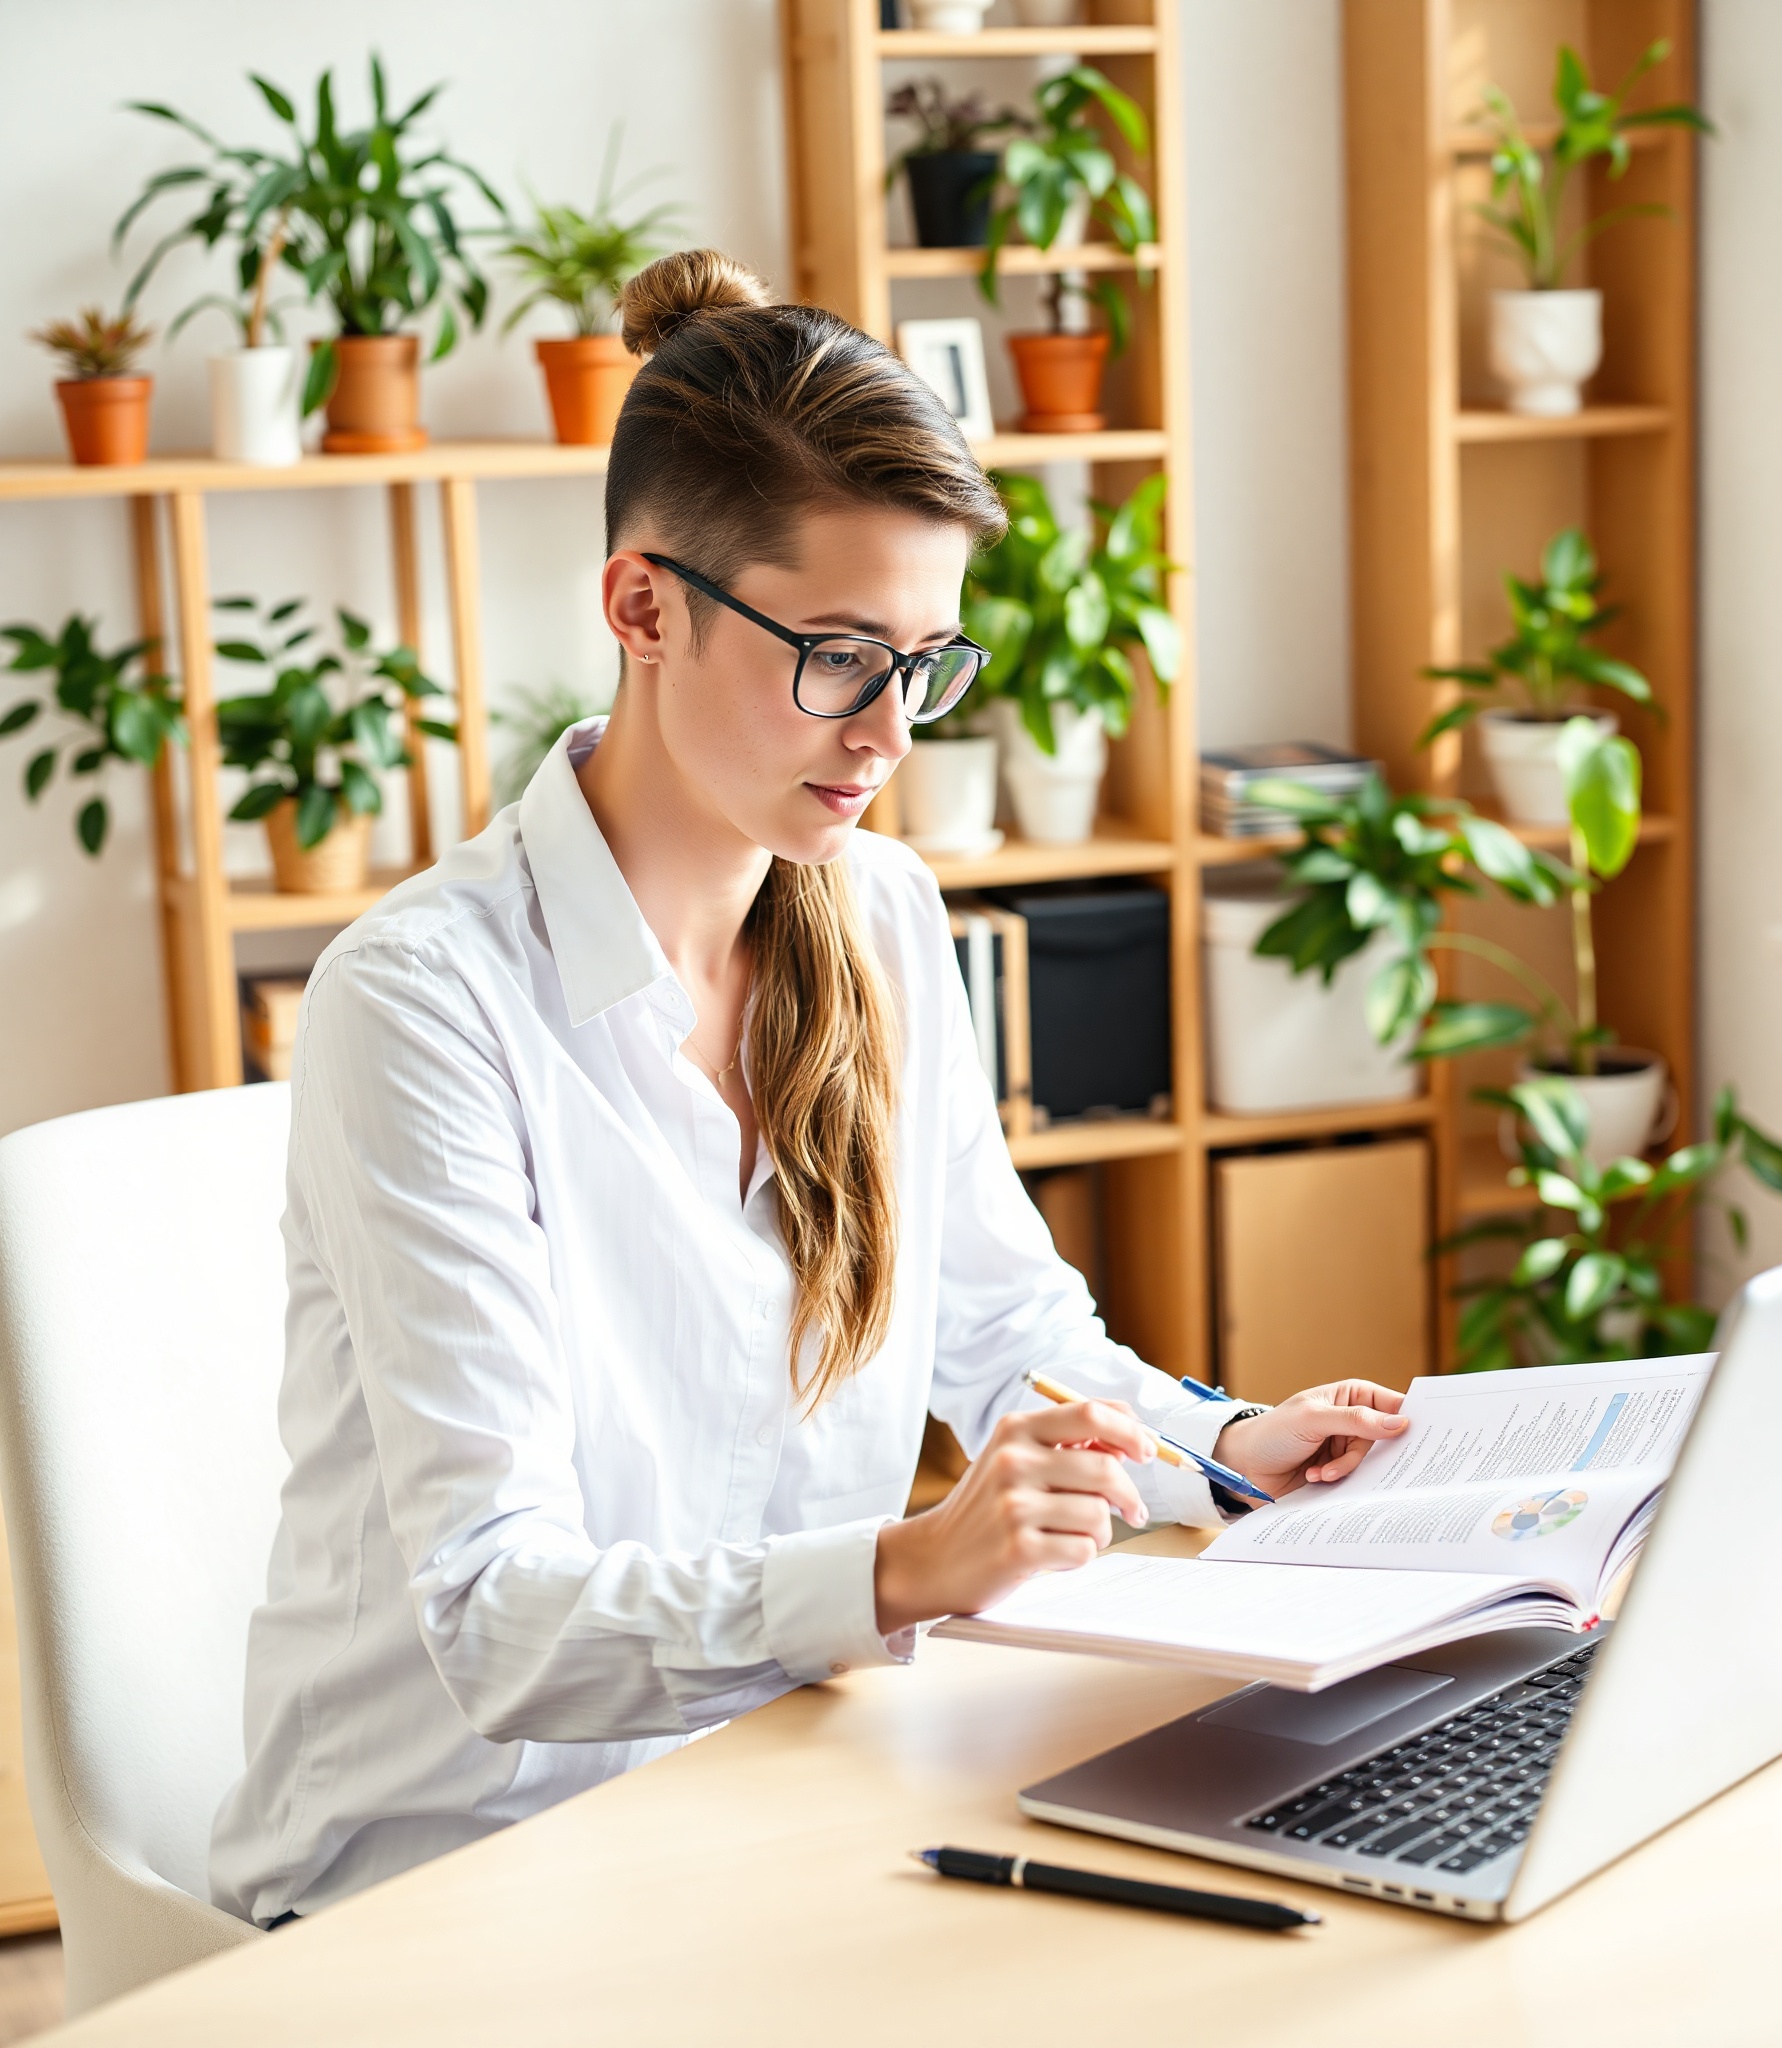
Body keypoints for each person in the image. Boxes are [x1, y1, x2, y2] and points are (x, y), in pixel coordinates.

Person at [209, 250, 1409, 1925]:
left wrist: (1228, 1446)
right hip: (445, 1876)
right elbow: (499, 1618)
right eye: (840, 654)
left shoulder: (888, 923)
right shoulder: (424, 1005)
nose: (890, 730)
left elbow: (1007, 1340)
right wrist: (914, 1565)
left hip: (781, 1794)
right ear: (642, 607)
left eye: (926, 660)